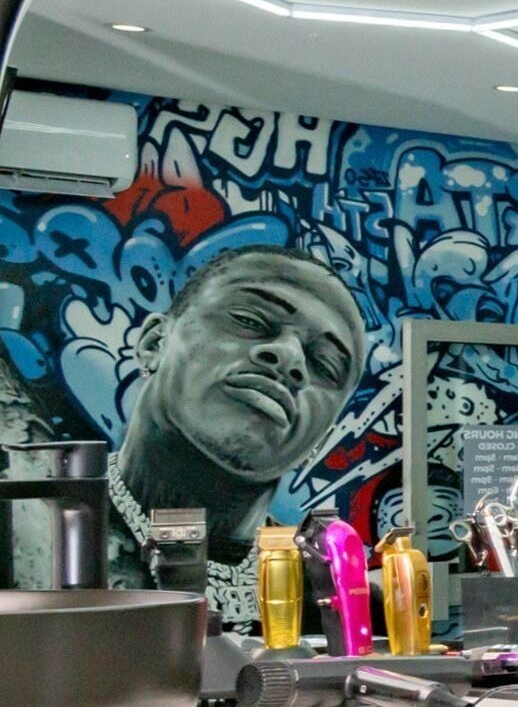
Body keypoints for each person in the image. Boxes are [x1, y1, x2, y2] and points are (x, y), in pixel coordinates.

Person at [101, 245, 366, 625]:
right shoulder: (37, 538)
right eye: (250, 320)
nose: (290, 358)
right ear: (154, 344)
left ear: (320, 439)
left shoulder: (331, 600)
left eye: (323, 363)